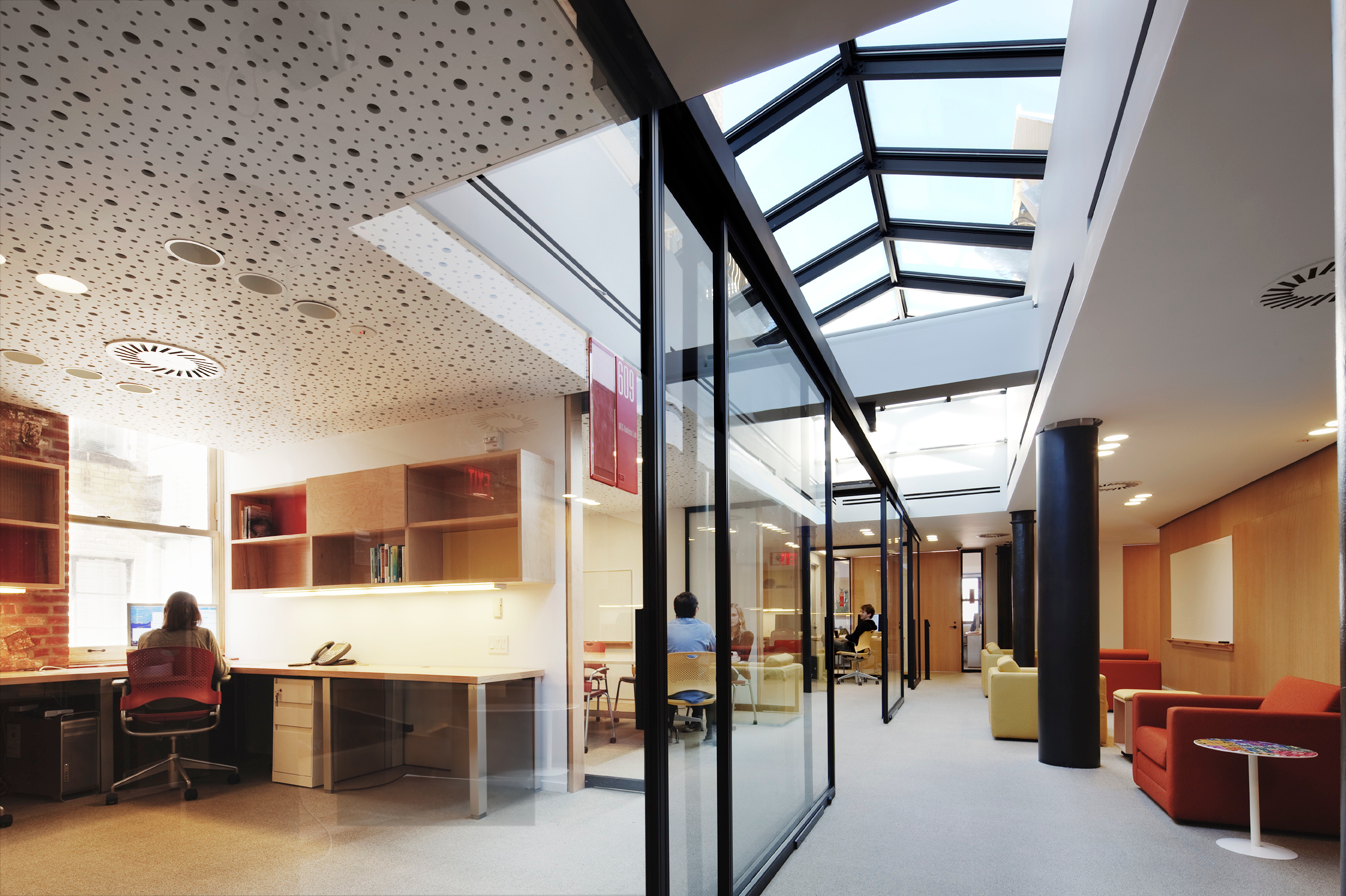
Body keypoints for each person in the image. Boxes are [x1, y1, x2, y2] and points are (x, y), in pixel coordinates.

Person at [136, 591, 230, 682]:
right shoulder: (205, 635)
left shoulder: (147, 638)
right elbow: (220, 671)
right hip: (196, 697)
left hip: (156, 697)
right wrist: (228, 663)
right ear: (195, 612)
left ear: (166, 611)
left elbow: (139, 673)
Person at [667, 591, 715, 742]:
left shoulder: (665, 629)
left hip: (671, 691)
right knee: (716, 684)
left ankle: (667, 729)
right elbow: (715, 653)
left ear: (675, 610)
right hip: (703, 690)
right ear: (695, 610)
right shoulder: (706, 629)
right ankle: (711, 732)